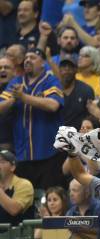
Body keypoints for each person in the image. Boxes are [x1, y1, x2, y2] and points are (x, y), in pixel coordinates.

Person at [0, 48, 65, 190]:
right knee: (25, 203)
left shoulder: (51, 81)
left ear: (42, 63)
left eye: (33, 57)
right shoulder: (16, 82)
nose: (28, 60)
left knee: (49, 198)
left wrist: (24, 98)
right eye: (26, 57)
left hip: (49, 153)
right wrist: (13, 99)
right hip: (22, 154)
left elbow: (53, 105)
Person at [59, 56, 96, 130]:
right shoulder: (52, 89)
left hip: (78, 135)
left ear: (76, 70)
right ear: (59, 70)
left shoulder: (86, 90)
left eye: (70, 67)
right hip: (56, 134)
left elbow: (91, 116)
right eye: (64, 66)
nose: (67, 69)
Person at [0, 150, 34, 226]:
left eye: (2, 162)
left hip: (19, 235)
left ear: (12, 167)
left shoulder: (24, 184)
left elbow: (14, 210)